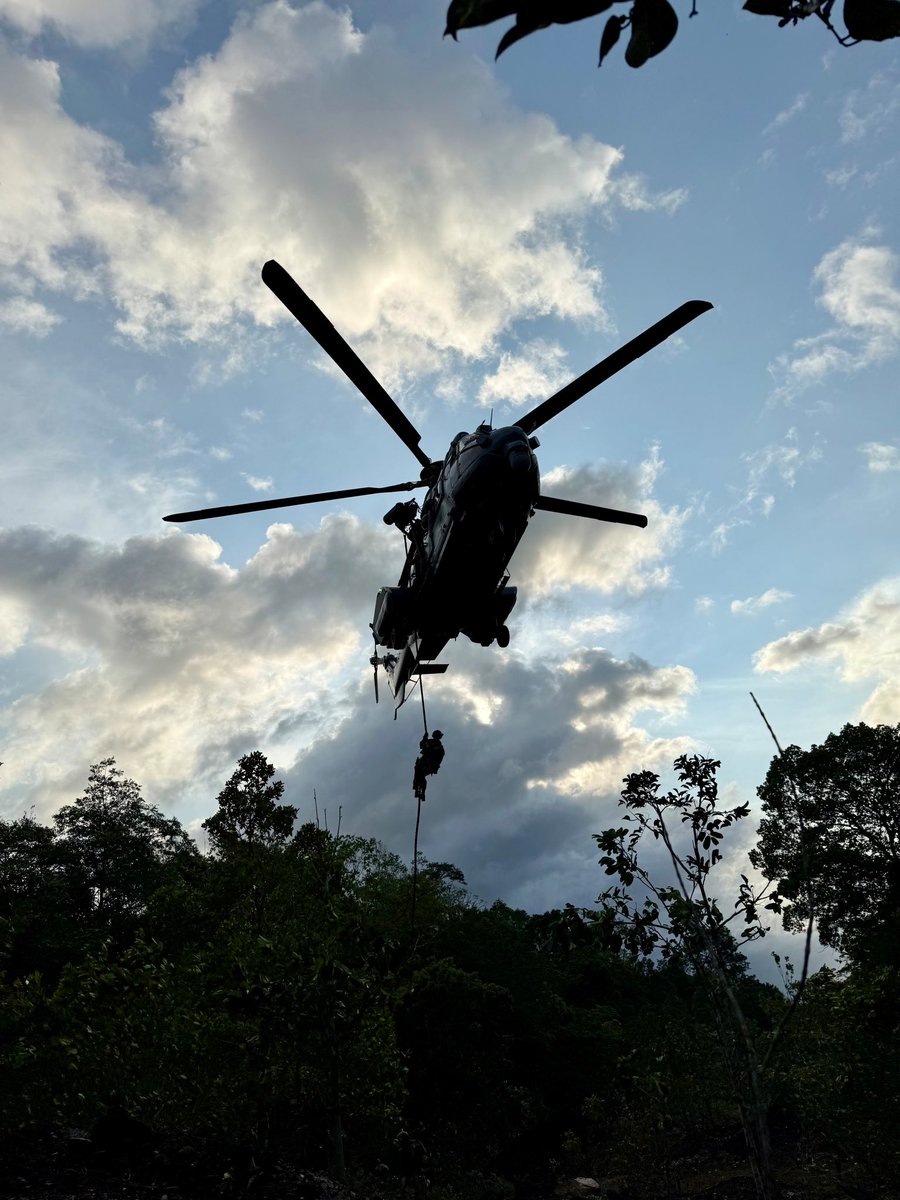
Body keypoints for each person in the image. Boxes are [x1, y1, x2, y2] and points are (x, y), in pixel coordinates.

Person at [413, 730, 444, 801]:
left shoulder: (439, 747)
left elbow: (438, 758)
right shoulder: (430, 742)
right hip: (426, 764)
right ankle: (419, 789)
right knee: (419, 774)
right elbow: (422, 746)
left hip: (430, 765)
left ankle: (420, 790)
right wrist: (424, 738)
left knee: (419, 773)